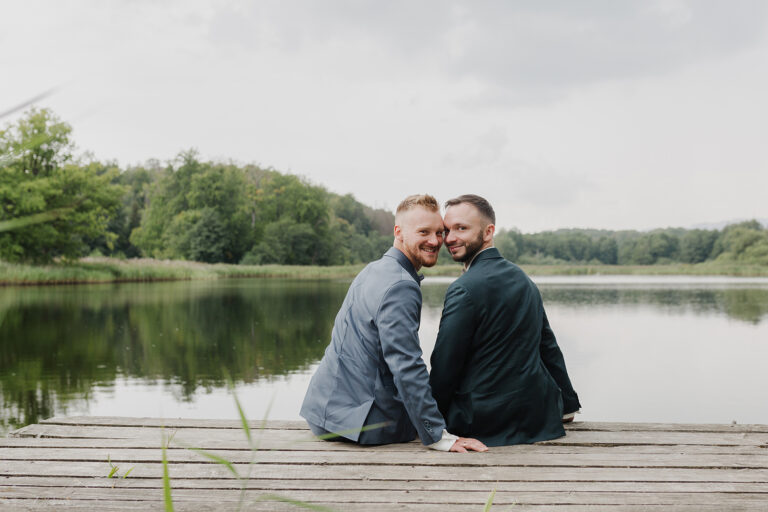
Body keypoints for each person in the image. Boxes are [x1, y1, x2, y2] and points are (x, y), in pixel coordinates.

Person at [300, 194, 487, 452]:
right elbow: (406, 364)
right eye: (424, 232)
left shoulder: (373, 270)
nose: (435, 241)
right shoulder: (401, 286)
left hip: (324, 414)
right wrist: (437, 436)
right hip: (362, 423)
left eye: (439, 233)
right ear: (398, 232)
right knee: (464, 412)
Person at [429, 194, 581, 447]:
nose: (450, 238)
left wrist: (428, 422)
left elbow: (445, 365)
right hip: (537, 419)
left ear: (488, 232)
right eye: (447, 230)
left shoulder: (463, 289)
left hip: (481, 423)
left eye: (461, 228)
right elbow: (548, 347)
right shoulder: (524, 279)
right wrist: (567, 404)